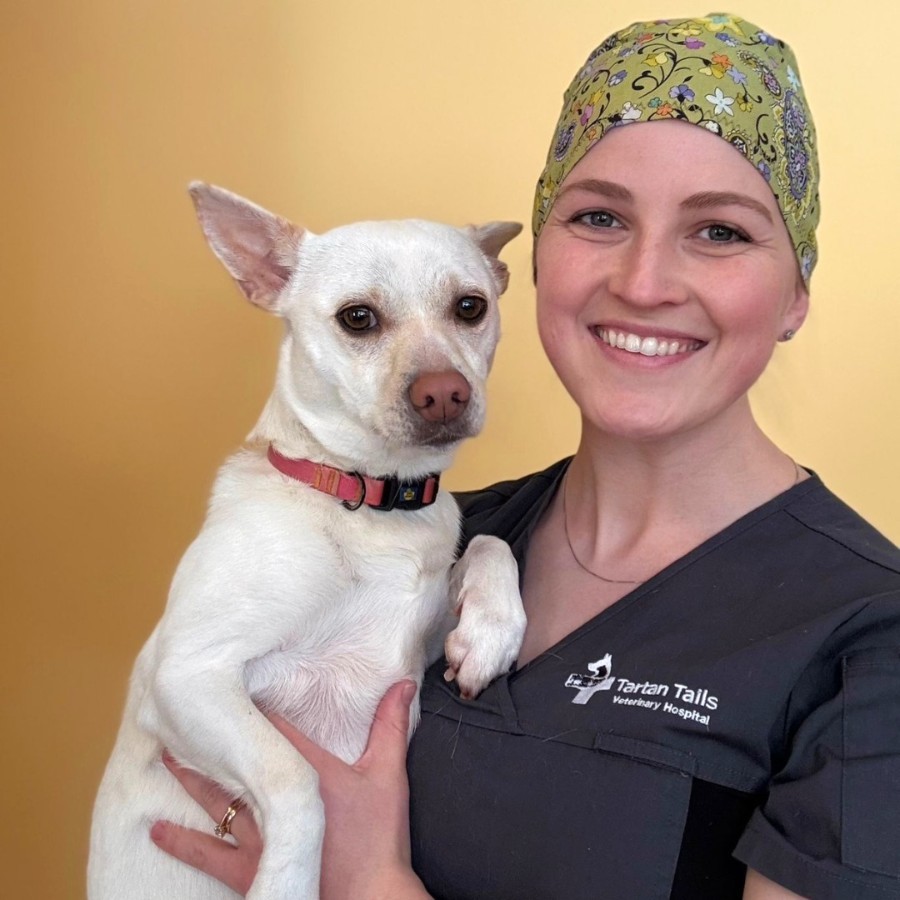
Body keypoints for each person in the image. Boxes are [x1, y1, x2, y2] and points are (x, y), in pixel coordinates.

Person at [149, 13, 900, 899]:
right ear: (538, 259)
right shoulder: (432, 533)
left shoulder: (868, 635)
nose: (644, 283)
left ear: (797, 292)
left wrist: (367, 881)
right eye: (599, 217)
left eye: (720, 232)